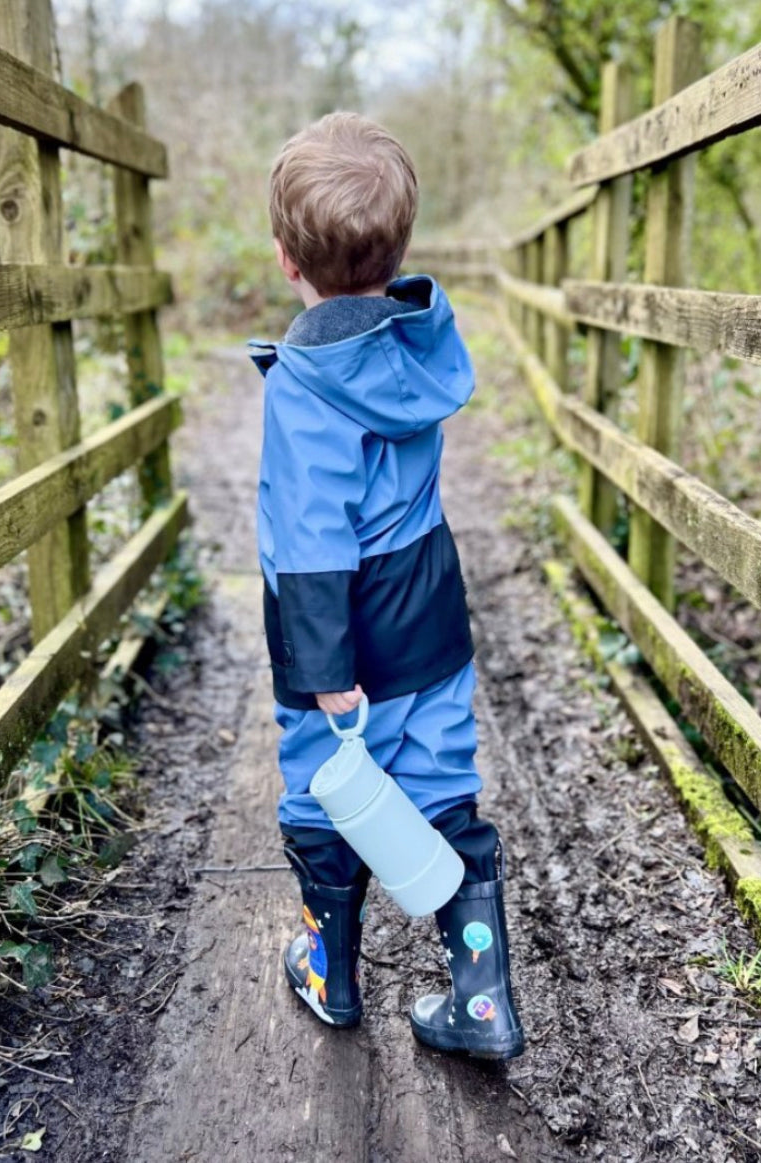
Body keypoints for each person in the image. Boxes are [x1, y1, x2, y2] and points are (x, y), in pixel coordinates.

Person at [249, 112, 524, 1061]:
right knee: (440, 780)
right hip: (428, 612)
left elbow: (310, 531)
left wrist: (320, 665)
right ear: (398, 247)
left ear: (287, 259)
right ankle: (480, 998)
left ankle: (330, 974)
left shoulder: (303, 385)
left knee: (323, 792)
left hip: (342, 629)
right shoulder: (417, 344)